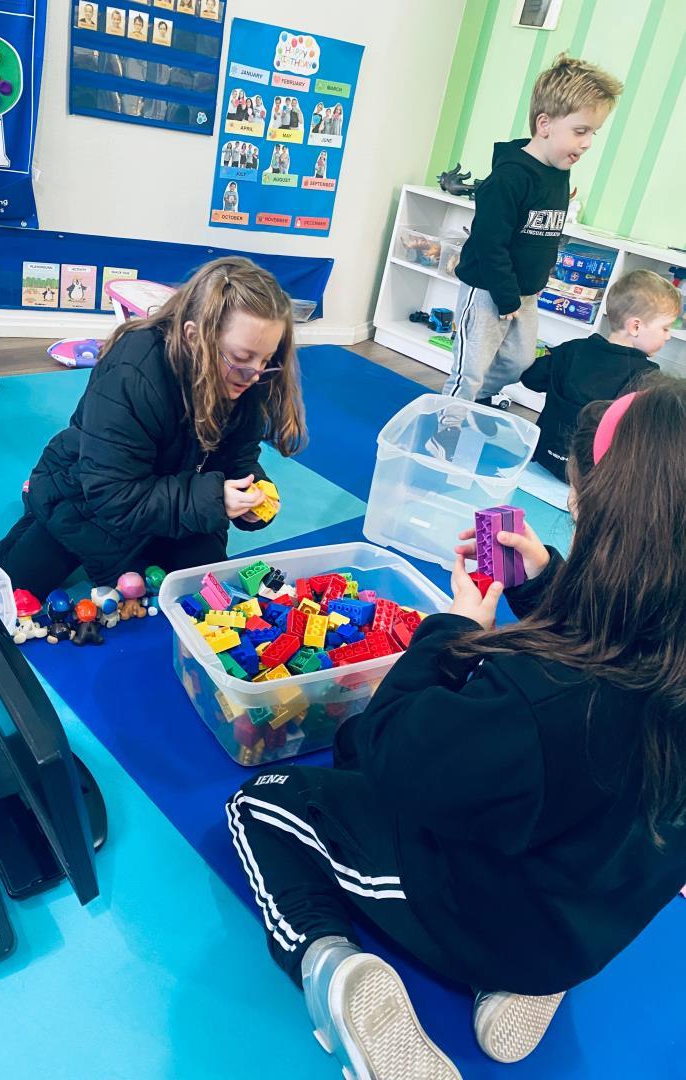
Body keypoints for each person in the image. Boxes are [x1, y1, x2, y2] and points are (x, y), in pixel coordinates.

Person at [227, 375, 686, 1080]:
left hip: (487, 909)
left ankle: (331, 972)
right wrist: (546, 582)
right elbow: (623, 633)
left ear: (605, 519)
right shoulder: (658, 651)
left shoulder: (542, 701)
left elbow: (394, 755)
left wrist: (451, 634)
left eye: (575, 504)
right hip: (587, 918)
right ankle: (523, 982)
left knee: (260, 805)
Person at [0, 258, 306, 598]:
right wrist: (214, 499)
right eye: (242, 358)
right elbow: (112, 495)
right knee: (14, 588)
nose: (255, 374)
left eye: (266, 360)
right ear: (193, 338)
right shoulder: (132, 372)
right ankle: (34, 502)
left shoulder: (249, 378)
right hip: (91, 497)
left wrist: (252, 492)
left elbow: (238, 457)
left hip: (173, 496)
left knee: (206, 586)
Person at [431, 55, 623, 456]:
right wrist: (505, 296)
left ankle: (477, 403)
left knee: (518, 363)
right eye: (581, 131)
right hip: (489, 290)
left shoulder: (558, 173)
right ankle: (446, 430)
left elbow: (542, 233)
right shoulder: (509, 178)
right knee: (471, 367)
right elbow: (489, 243)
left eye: (593, 133)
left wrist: (536, 279)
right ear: (545, 124)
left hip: (525, 292)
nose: (587, 143)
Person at [520, 269, 678, 479]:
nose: (668, 336)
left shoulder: (573, 349)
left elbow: (531, 378)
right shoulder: (646, 376)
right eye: (665, 328)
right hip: (591, 475)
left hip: (543, 454)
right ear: (635, 327)